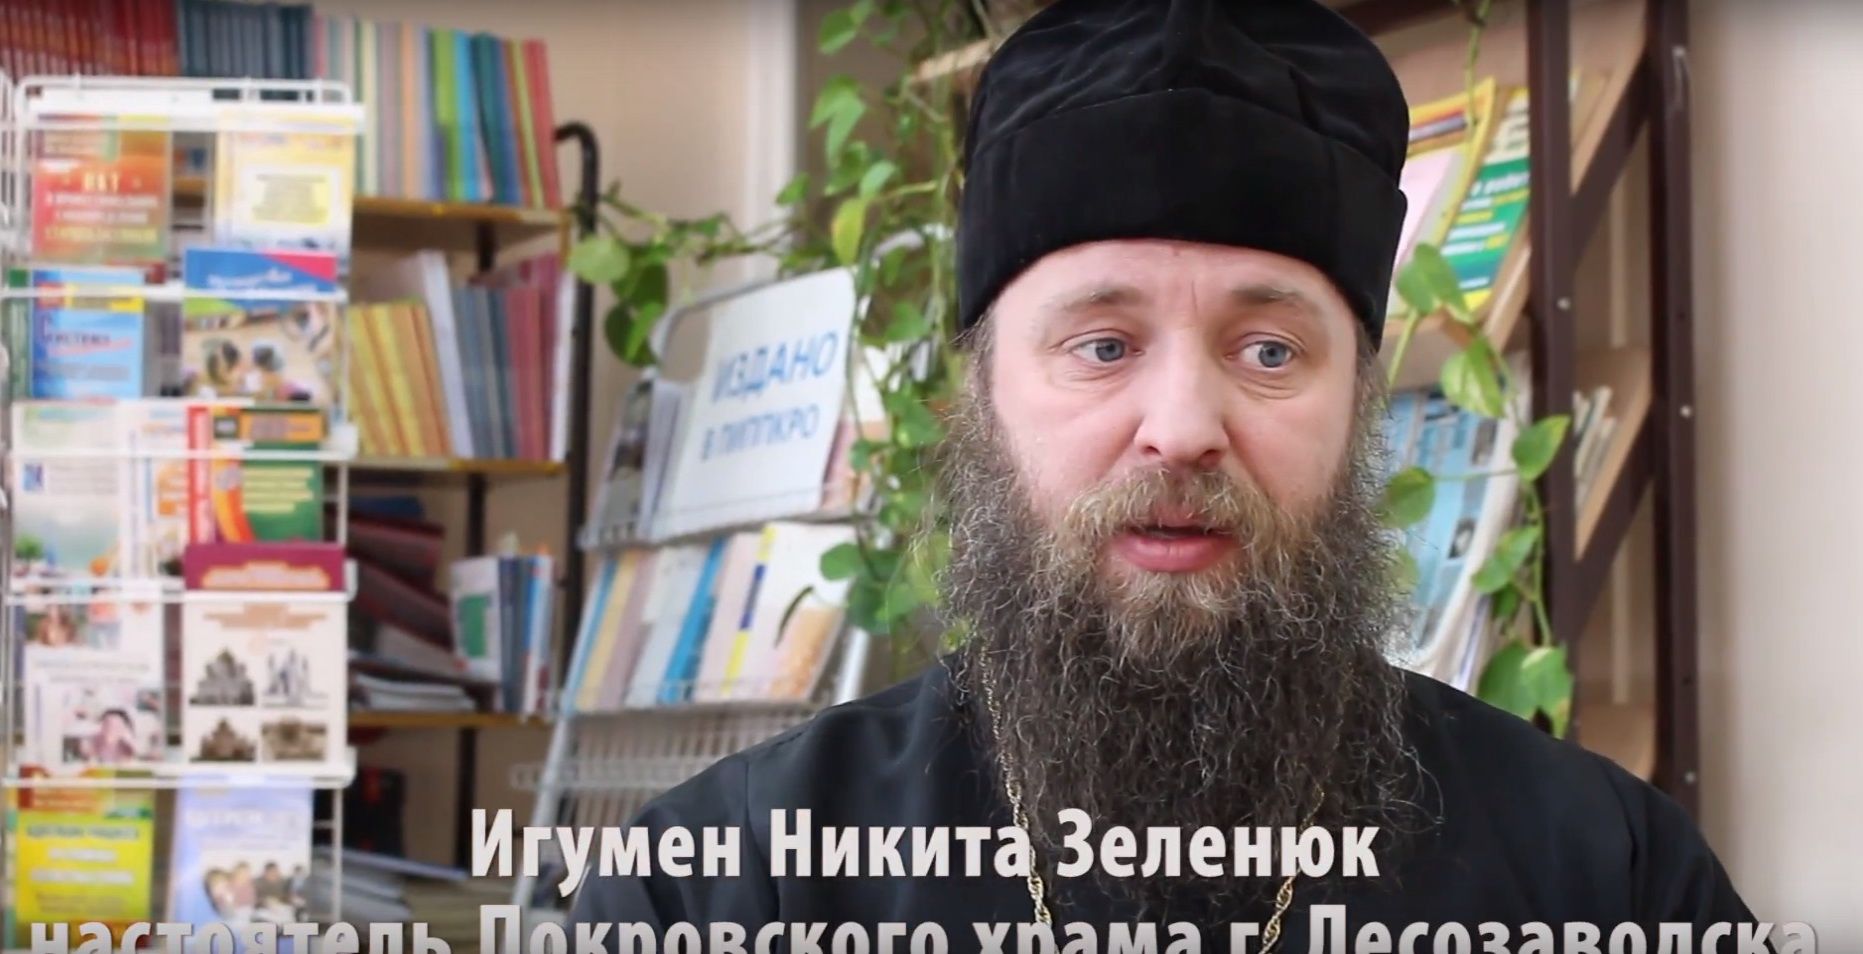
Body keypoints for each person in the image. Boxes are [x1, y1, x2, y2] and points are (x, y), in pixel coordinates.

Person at [569, 0, 1759, 946]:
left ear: (1360, 402)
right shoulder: (724, 889)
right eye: (1103, 345)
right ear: (979, 396)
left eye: (1270, 350)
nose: (1183, 428)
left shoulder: (1608, 878)